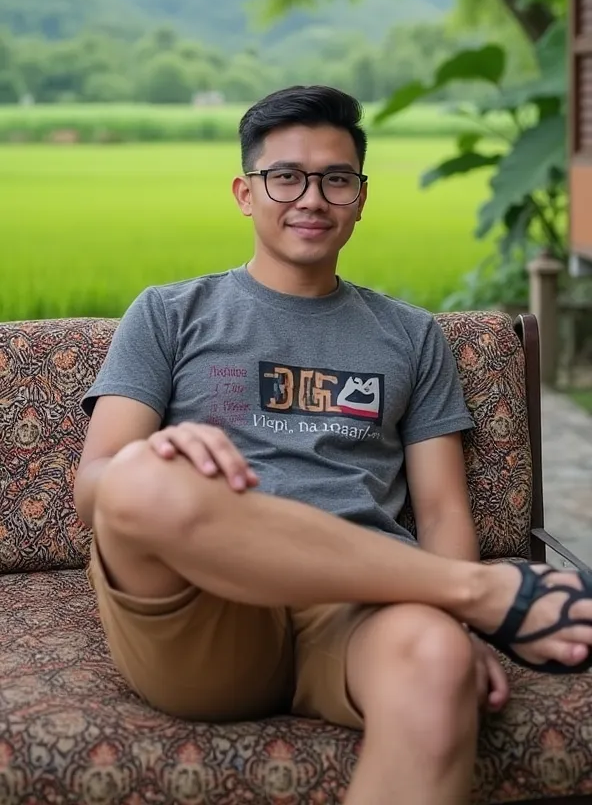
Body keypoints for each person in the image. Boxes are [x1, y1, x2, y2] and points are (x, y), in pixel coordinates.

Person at [76, 85, 592, 805]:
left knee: (438, 658)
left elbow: (441, 511)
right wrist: (169, 453)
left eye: (336, 179)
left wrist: (451, 625)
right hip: (204, 608)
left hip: (359, 603)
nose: (311, 198)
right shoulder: (169, 314)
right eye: (285, 176)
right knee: (137, 477)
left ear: (360, 196)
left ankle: (465, 607)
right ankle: (489, 595)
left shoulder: (412, 336)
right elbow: (94, 486)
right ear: (245, 192)